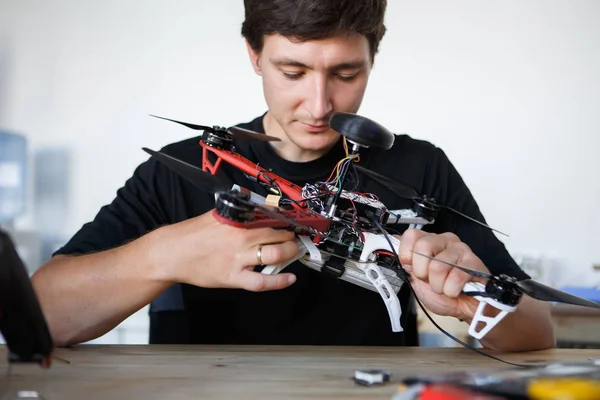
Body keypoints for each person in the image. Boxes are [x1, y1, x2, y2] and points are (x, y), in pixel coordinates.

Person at [31, 0, 555, 351]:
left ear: (374, 60)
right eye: (293, 72)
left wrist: (470, 302)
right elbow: (43, 316)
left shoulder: (418, 167)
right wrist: (166, 253)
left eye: (347, 74)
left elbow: (539, 332)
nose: (320, 105)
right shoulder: (184, 168)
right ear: (254, 56)